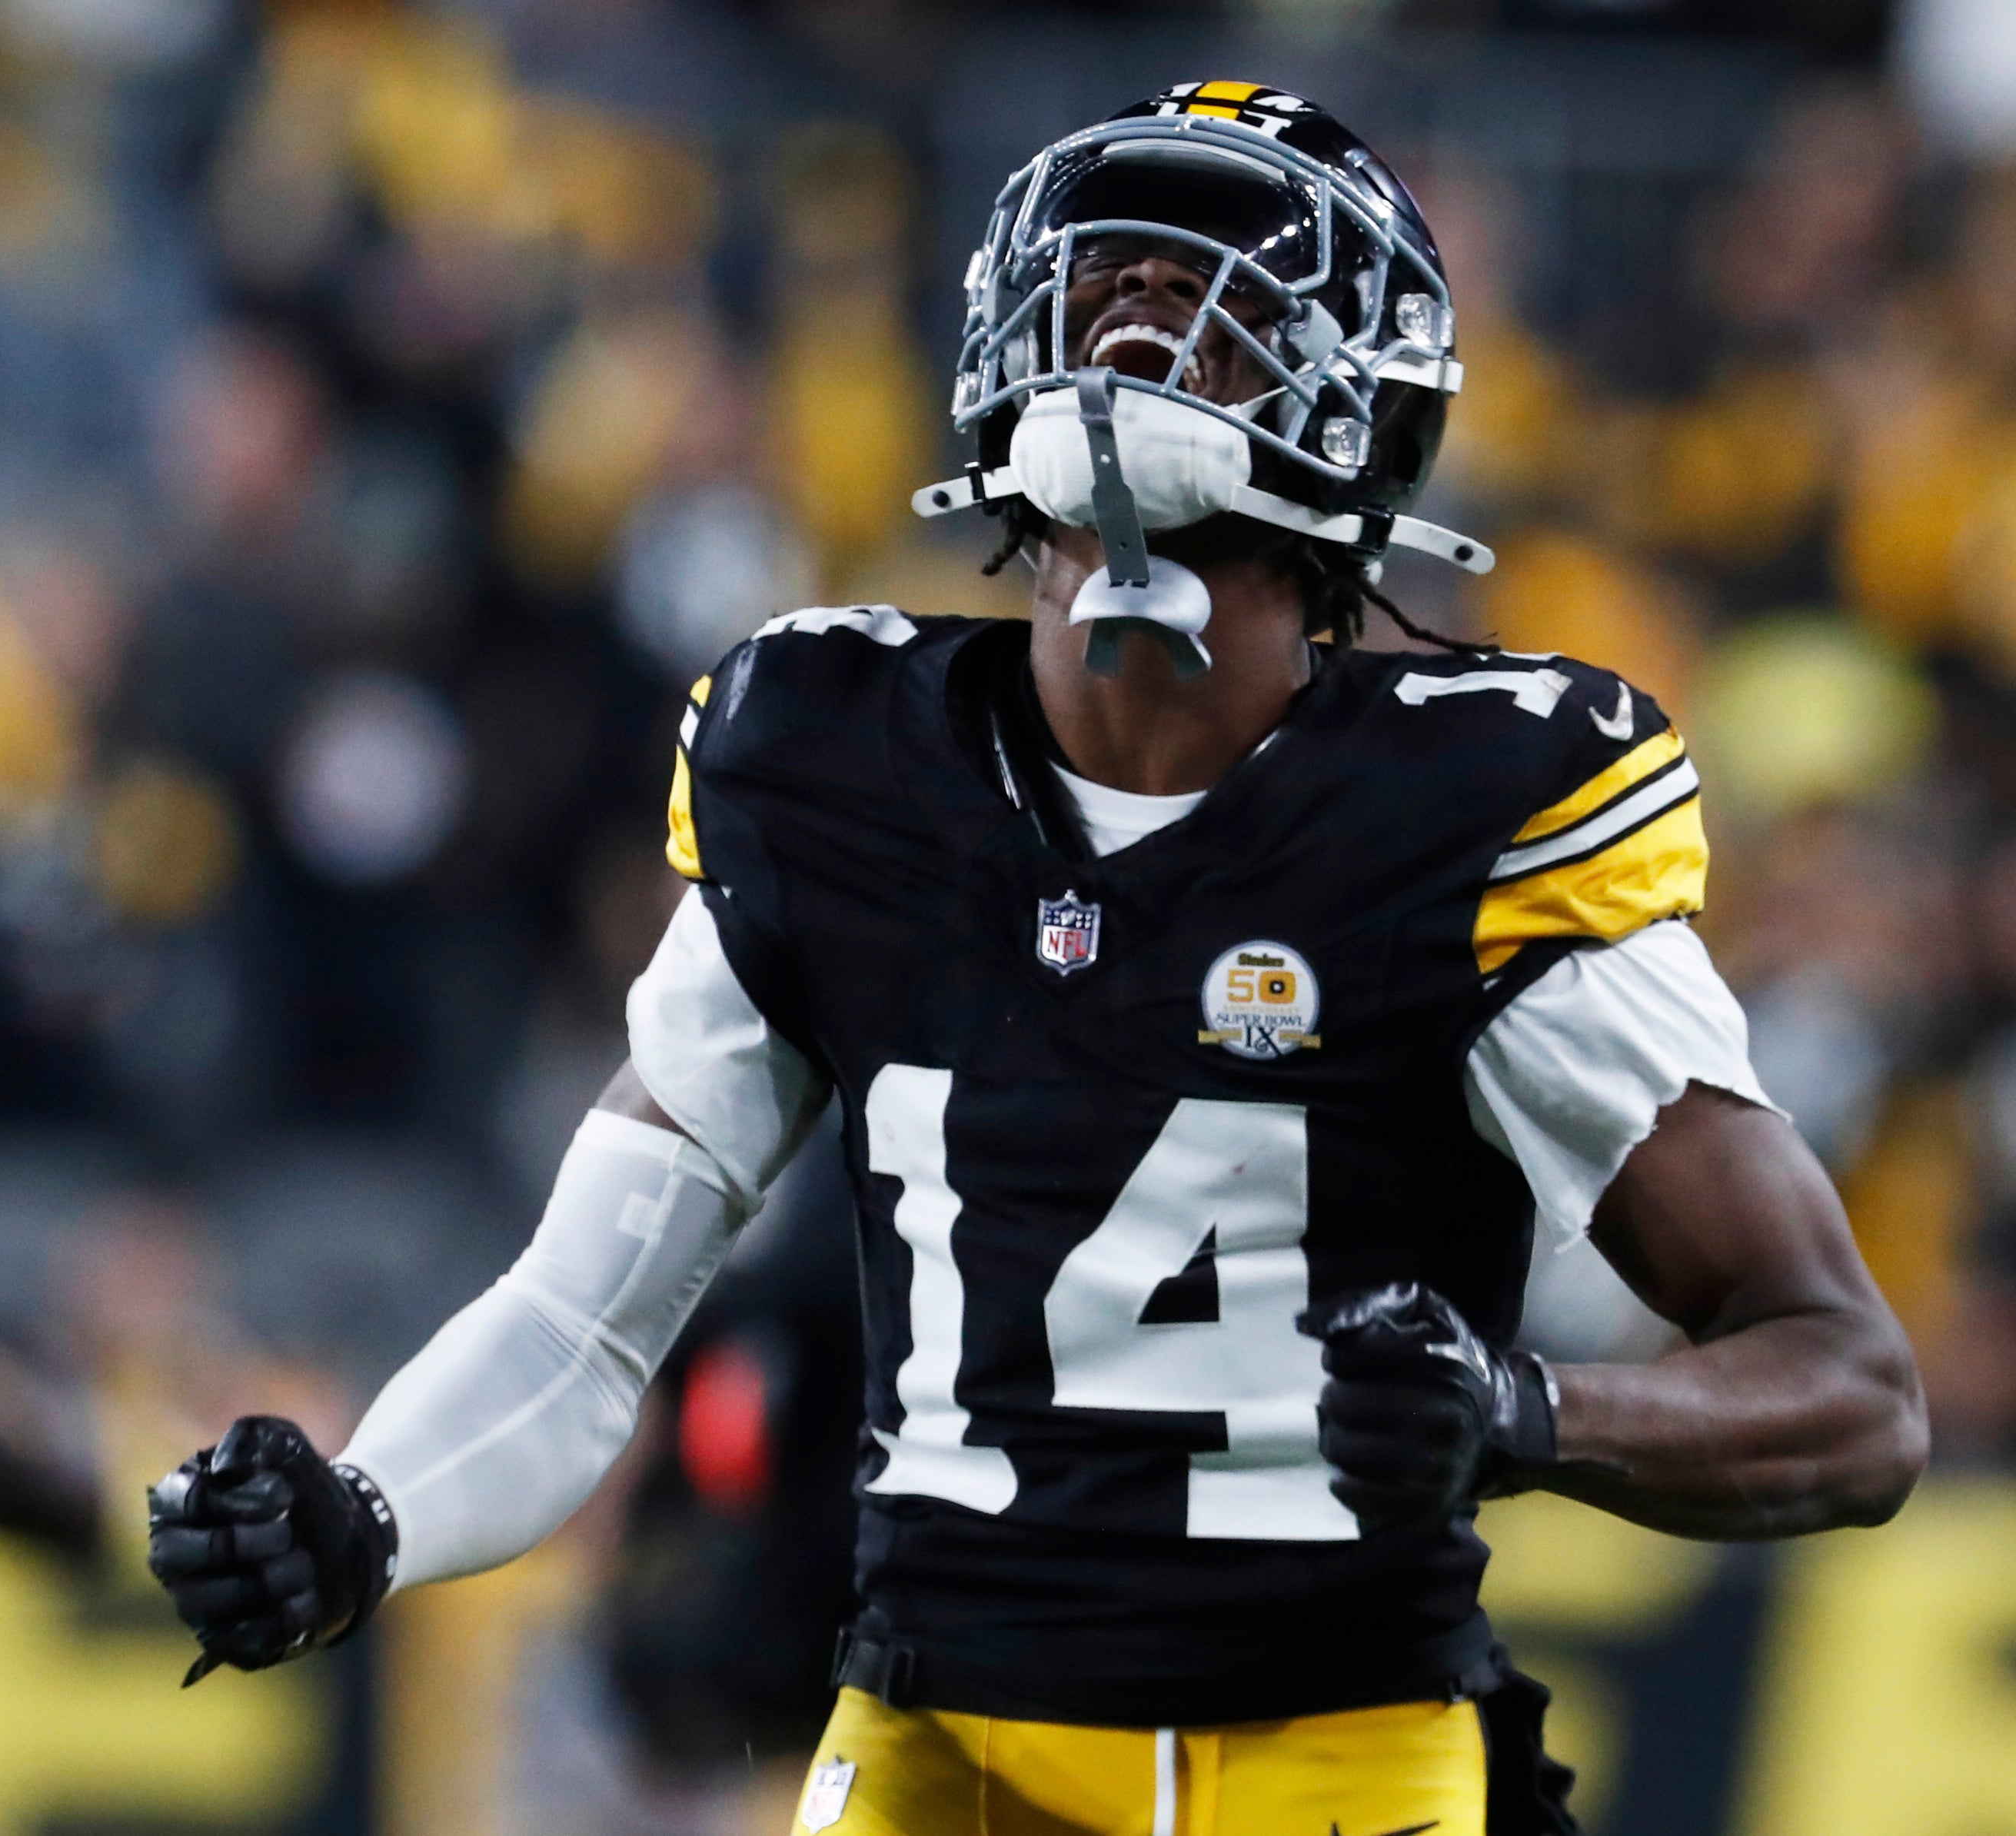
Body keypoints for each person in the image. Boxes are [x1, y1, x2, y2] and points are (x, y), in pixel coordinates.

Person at [146, 82, 1926, 1836]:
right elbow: (583, 1314)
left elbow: (1848, 1391)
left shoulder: (1479, 805)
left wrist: (1531, 1416)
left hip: (1340, 1752)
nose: (1139, 316)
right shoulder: (829, 754)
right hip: (942, 1754)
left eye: (1213, 292)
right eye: (1107, 286)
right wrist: (366, 1513)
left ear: (1363, 398)